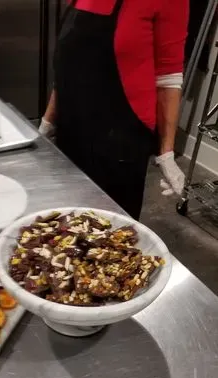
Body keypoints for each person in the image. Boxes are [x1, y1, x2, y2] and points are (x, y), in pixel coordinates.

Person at [40, 0, 189, 219]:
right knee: (63, 221)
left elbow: (169, 78)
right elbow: (68, 66)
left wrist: (166, 152)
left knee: (109, 228)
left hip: (120, 139)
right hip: (71, 129)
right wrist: (48, 121)